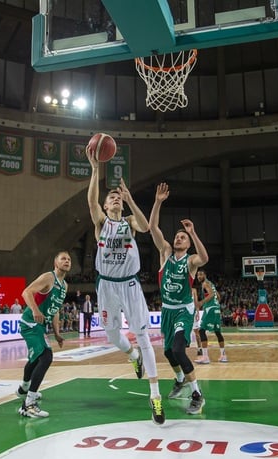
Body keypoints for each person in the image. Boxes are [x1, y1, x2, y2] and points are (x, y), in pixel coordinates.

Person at [86, 147, 162, 423]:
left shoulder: (129, 222)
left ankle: (155, 397)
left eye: (118, 196)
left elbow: (145, 226)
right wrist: (96, 170)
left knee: (144, 336)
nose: (115, 199)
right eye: (112, 197)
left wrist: (130, 200)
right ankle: (132, 355)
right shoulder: (100, 223)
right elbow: (91, 200)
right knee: (112, 336)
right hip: (106, 286)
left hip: (129, 285)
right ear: (106, 206)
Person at [149, 182, 209, 416]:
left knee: (178, 350)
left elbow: (204, 257)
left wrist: (193, 232)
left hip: (183, 310)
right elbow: (153, 228)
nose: (179, 238)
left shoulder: (191, 261)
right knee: (167, 352)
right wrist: (158, 202)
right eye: (178, 236)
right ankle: (180, 379)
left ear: (188, 243)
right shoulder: (165, 253)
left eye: (183, 237)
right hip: (167, 310)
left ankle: (197, 394)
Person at [15, 251, 70, 418]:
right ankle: (28, 404)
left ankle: (23, 389)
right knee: (46, 356)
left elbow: (55, 310)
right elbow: (26, 292)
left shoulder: (65, 286)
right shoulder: (49, 277)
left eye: (69, 259)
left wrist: (57, 333)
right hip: (30, 323)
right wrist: (35, 310)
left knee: (36, 358)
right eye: (63, 259)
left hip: (39, 326)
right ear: (56, 263)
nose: (67, 261)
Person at [194, 270, 227, 364]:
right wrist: (216, 304)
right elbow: (218, 296)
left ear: (205, 275)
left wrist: (201, 302)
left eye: (200, 275)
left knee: (201, 330)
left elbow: (212, 294)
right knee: (217, 332)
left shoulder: (205, 283)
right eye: (197, 275)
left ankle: (205, 357)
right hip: (216, 308)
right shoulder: (211, 283)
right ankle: (223, 355)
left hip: (210, 309)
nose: (198, 277)